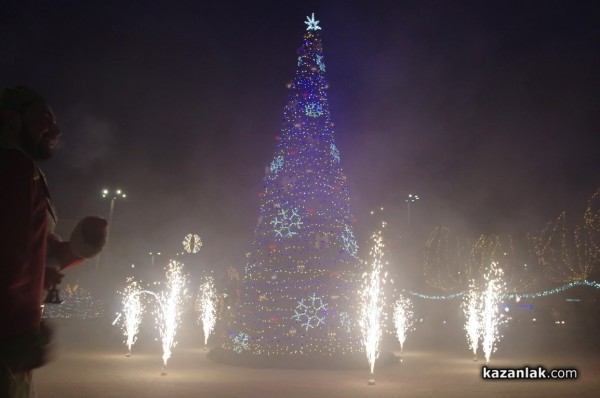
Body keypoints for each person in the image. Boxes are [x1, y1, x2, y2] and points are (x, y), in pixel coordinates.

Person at [0, 86, 108, 397]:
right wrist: (15, 329)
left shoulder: (20, 168)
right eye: (44, 118)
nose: (56, 130)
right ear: (10, 118)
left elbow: (34, 250)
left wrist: (75, 248)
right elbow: (10, 259)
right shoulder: (14, 165)